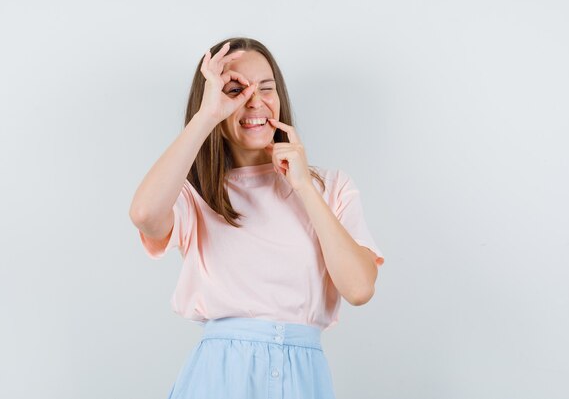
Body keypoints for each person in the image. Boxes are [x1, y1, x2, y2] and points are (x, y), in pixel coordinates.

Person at [129, 37, 385, 399]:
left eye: (267, 88)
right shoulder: (196, 194)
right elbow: (144, 214)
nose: (254, 102)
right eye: (235, 90)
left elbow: (359, 289)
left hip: (303, 378)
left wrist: (303, 188)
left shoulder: (330, 188)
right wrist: (206, 117)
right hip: (219, 377)